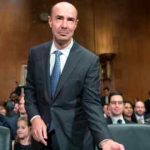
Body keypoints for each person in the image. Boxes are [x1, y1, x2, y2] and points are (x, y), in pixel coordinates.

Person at [25, 2, 124, 150]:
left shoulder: (89, 60)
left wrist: (104, 139)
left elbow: (91, 103)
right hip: (41, 141)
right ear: (50, 21)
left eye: (70, 20)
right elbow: (30, 90)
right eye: (59, 18)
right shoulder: (36, 54)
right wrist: (35, 117)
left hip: (75, 141)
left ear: (76, 24)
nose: (64, 25)